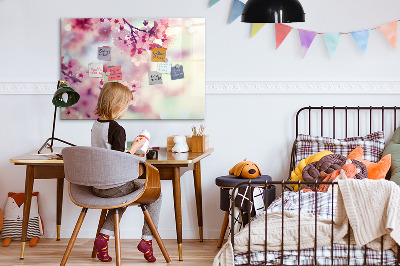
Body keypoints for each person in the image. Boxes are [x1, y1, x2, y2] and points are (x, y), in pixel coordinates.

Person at [91, 82, 161, 263]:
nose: (126, 109)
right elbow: (119, 161)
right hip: (114, 186)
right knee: (156, 194)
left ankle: (103, 238)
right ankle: (147, 240)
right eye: (126, 105)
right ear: (117, 105)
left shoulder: (96, 125)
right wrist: (136, 148)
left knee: (121, 197)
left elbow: (108, 154)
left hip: (97, 186)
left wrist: (131, 150)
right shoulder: (117, 129)